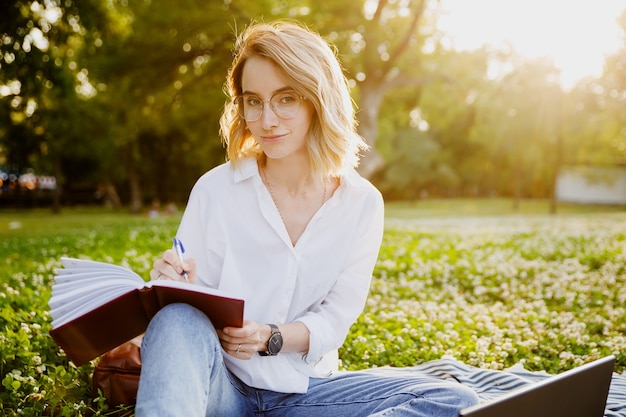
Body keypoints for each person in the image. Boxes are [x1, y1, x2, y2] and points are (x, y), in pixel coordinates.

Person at [135, 20, 479, 417]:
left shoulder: (362, 204)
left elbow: (334, 319)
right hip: (222, 389)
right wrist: (173, 284)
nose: (267, 120)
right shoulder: (216, 190)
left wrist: (270, 337)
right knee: (176, 318)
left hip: (309, 394)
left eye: (286, 99)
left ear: (319, 99)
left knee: (454, 400)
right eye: (253, 101)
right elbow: (190, 316)